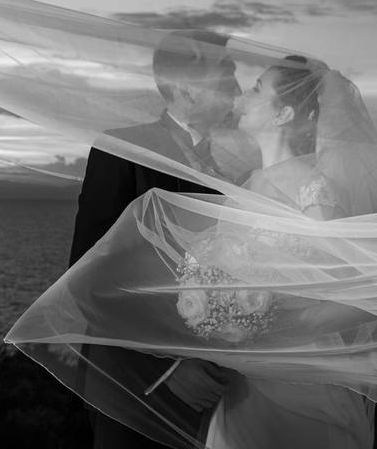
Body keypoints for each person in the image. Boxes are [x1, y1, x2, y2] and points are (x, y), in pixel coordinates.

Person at [199, 55, 377, 449]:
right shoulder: (244, 187)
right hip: (243, 385)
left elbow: (364, 294)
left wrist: (284, 327)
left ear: (284, 113)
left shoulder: (314, 191)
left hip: (303, 382)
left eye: (258, 89)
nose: (243, 96)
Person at [67, 29, 243, 449]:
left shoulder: (235, 169)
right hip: (132, 389)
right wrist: (166, 368)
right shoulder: (122, 149)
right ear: (187, 89)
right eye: (227, 75)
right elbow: (89, 278)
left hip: (217, 390)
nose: (238, 89)